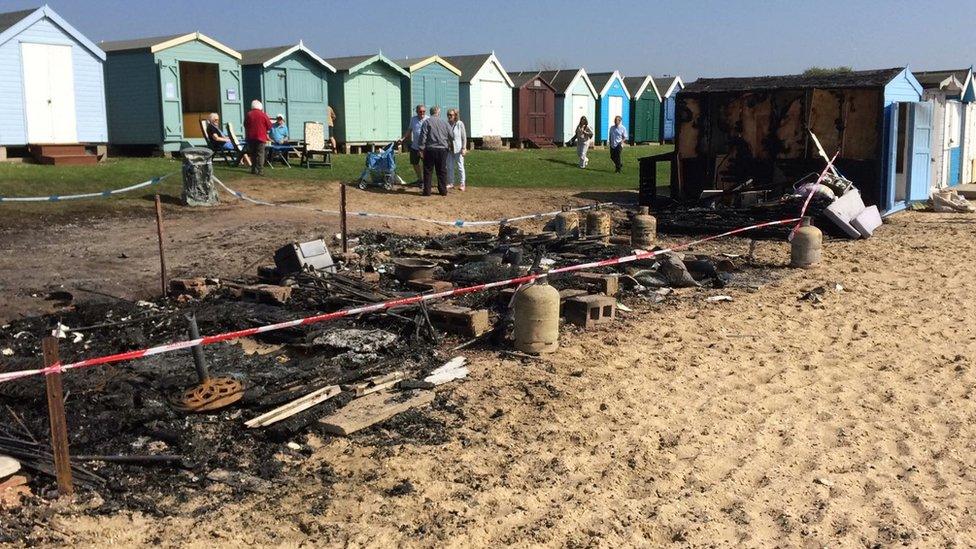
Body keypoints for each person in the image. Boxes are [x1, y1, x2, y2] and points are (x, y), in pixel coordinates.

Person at [418, 106, 451, 196]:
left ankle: (427, 191)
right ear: (438, 113)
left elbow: (423, 136)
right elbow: (451, 135)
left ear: (430, 112)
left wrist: (421, 148)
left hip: (430, 149)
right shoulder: (445, 122)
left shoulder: (427, 122)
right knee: (442, 170)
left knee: (428, 170)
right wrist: (448, 143)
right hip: (443, 149)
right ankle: (443, 191)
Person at [400, 104, 428, 185]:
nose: (422, 113)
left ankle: (426, 181)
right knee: (415, 163)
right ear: (417, 112)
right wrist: (402, 139)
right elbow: (409, 130)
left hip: (425, 147)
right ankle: (420, 179)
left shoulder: (428, 119)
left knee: (426, 165)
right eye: (420, 111)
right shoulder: (413, 119)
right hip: (415, 146)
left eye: (423, 111)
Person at [244, 100, 272, 175]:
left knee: (253, 153)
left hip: (251, 137)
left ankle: (253, 169)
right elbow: (269, 126)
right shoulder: (263, 114)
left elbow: (245, 124)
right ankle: (260, 170)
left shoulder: (249, 114)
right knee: (260, 153)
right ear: (260, 106)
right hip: (261, 137)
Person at [447, 108, 467, 191]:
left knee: (460, 166)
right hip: (449, 149)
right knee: (449, 166)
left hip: (458, 149)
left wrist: (464, 148)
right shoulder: (447, 124)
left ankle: (462, 184)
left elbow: (464, 137)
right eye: (448, 115)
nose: (449, 116)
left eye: (451, 115)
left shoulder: (459, 124)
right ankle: (451, 183)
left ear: (455, 115)